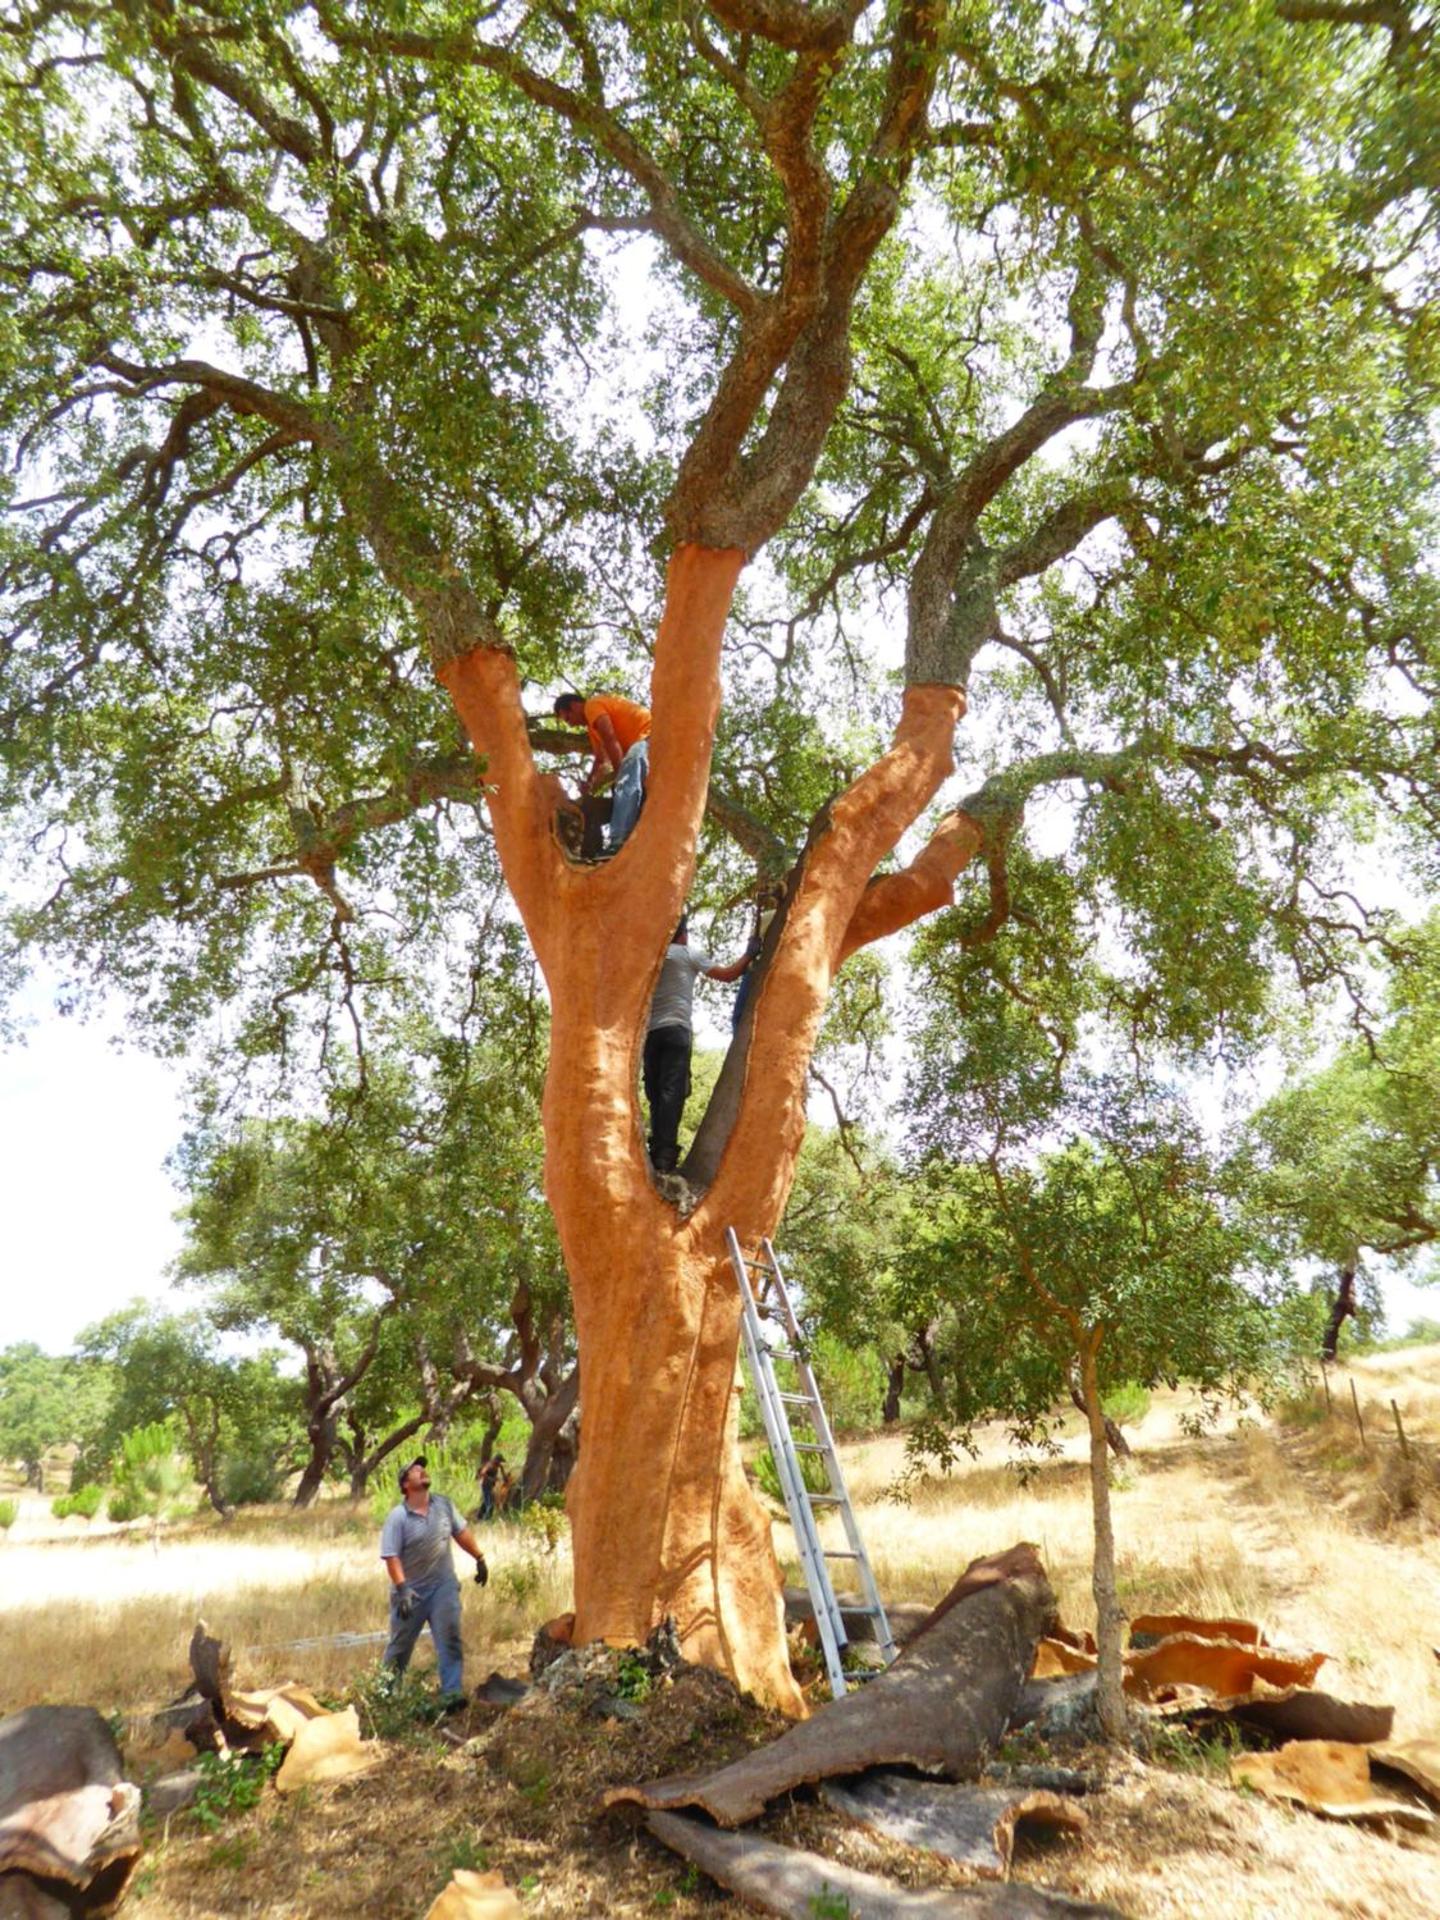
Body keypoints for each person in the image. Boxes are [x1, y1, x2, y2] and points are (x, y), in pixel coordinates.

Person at [645, 914, 756, 1174]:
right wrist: (750, 954)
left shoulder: (651, 958)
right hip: (677, 1030)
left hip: (651, 1034)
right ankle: (665, 1153)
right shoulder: (686, 954)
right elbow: (728, 975)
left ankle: (656, 1147)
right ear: (683, 934)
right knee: (672, 1091)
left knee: (655, 1092)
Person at [380, 1456, 489, 1708]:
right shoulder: (398, 1517)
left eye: (423, 1469)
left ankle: (451, 1694)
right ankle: (385, 1695)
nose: (422, 1471)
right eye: (415, 1471)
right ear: (405, 1485)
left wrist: (479, 1558)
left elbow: (461, 1533)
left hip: (443, 1587)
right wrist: (402, 1587)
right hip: (411, 1592)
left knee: (450, 1638)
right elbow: (391, 1556)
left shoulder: (444, 1506)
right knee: (400, 1647)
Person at [552, 691, 651, 852]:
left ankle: (618, 842)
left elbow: (610, 739)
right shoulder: (592, 730)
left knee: (625, 783)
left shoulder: (592, 706)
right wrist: (590, 782)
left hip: (648, 737)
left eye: (568, 718)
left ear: (574, 706)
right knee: (612, 794)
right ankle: (593, 851)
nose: (570, 725)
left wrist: (621, 775)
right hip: (638, 749)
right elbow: (600, 759)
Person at [731, 881, 784, 1032]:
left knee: (739, 1017)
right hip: (776, 972)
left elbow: (752, 948)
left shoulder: (767, 917)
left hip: (755, 971)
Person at [477, 1452, 506, 1522]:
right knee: (490, 1503)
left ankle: (479, 1516)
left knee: (486, 1501)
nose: (500, 1463)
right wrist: (491, 1479)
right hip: (485, 1485)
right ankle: (487, 1520)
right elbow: (482, 1473)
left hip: (490, 1485)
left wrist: (505, 1478)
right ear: (496, 1460)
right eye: (499, 1461)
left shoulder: (498, 1466)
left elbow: (503, 1474)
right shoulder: (490, 1465)